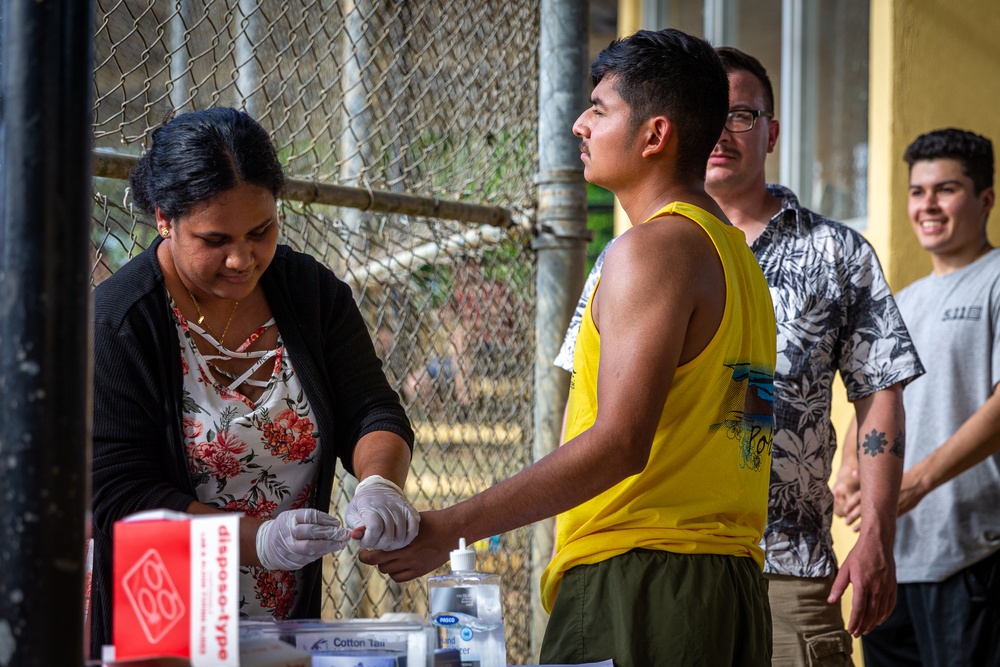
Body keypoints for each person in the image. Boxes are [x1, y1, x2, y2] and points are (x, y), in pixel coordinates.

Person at [363, 29, 777, 666]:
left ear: (655, 134)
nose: (581, 124)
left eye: (600, 109)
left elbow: (619, 443)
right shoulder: (737, 258)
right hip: (727, 585)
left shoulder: (651, 250)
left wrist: (451, 528)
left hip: (641, 582)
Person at [554, 46, 925, 665]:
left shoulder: (834, 252)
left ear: (772, 131)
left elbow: (879, 389)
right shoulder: (634, 251)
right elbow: (587, 411)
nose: (723, 131)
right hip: (649, 556)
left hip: (788, 566)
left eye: (743, 116)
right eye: (713, 112)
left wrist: (876, 534)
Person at [90, 107, 419, 655]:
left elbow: (372, 410)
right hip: (163, 620)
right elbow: (120, 494)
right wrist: (256, 540)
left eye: (260, 231)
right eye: (214, 239)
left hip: (281, 619)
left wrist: (378, 484)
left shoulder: (310, 294)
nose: (242, 258)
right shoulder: (120, 322)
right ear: (163, 219)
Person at [840, 128, 1000, 666]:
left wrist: (918, 482)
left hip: (972, 552)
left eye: (945, 189)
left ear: (985, 200)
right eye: (917, 191)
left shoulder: (996, 280)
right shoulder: (902, 301)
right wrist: (849, 470)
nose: (927, 204)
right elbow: (871, 395)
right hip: (891, 559)